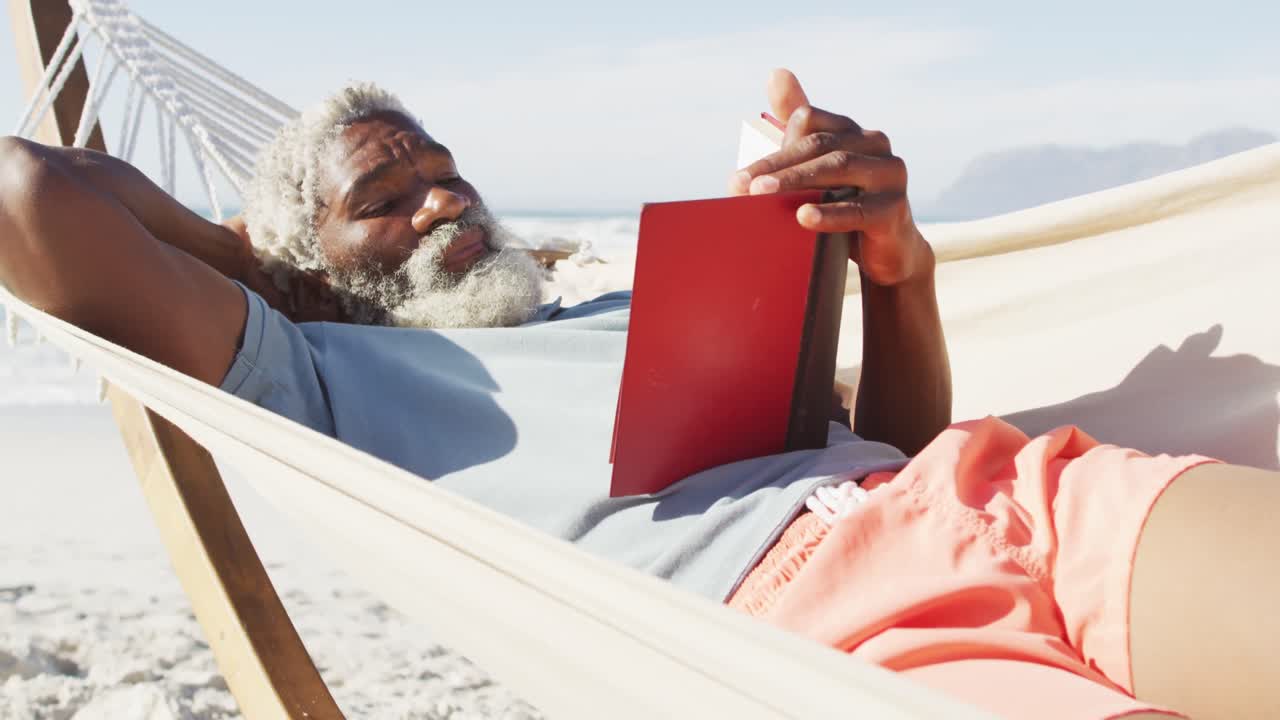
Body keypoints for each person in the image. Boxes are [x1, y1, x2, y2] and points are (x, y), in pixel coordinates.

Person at [0, 69, 1273, 720]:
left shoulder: (620, 307)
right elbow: (29, 195)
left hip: (1008, 495)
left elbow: (881, 445)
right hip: (844, 639)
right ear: (304, 270)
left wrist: (895, 270)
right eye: (383, 201)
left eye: (445, 174)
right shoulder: (318, 378)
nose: (441, 202)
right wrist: (251, 261)